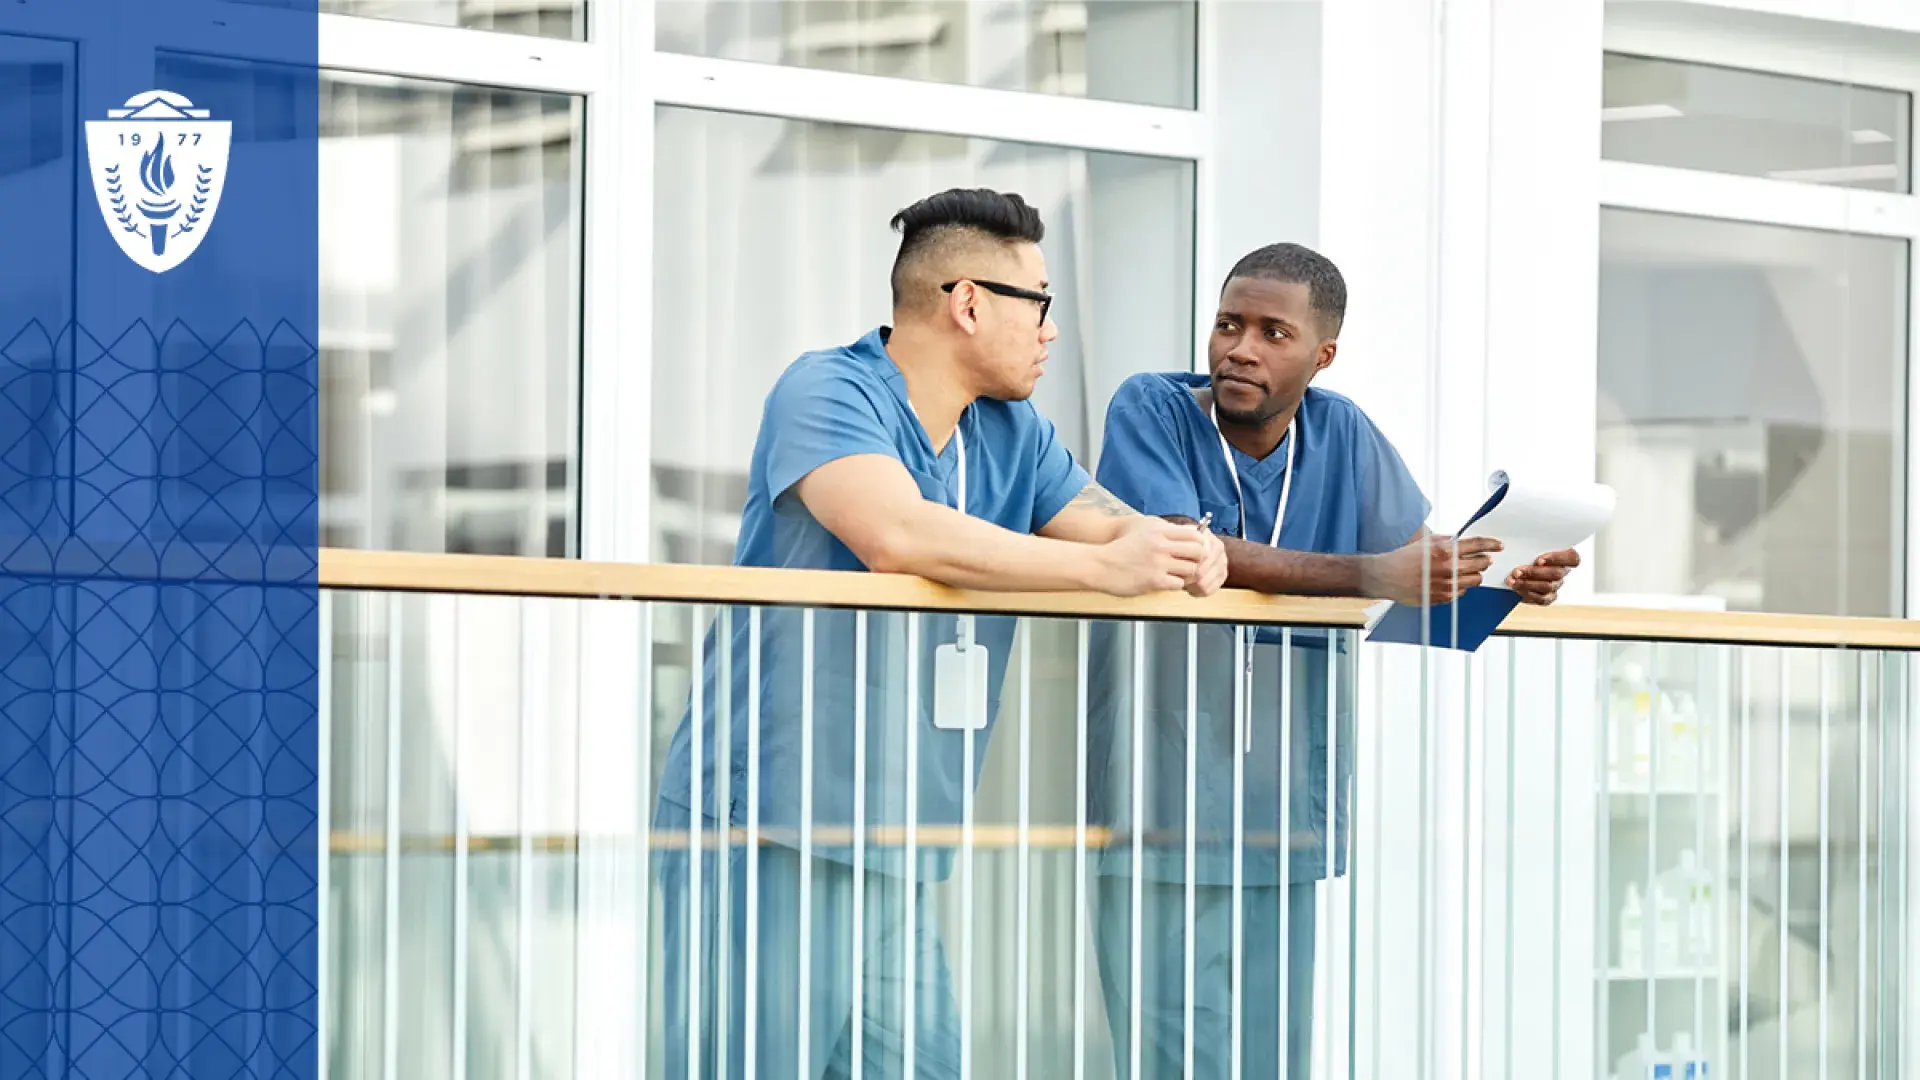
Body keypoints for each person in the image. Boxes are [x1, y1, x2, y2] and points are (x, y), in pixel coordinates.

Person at [651, 187, 1228, 1080]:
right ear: (967, 303)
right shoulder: (827, 390)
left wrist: (1188, 548)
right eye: (1038, 304)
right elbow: (896, 534)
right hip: (769, 819)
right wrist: (1109, 567)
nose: (1051, 332)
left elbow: (1112, 526)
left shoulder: (1012, 431)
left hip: (898, 836)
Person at [1085, 241, 1579, 1079]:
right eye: (1228, 324)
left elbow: (1422, 568)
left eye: (1274, 332)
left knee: (1275, 1054)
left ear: (1322, 355)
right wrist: (1372, 573)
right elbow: (1175, 548)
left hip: (1286, 810)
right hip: (1162, 798)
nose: (1240, 347)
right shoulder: (1152, 409)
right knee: (1169, 1053)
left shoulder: (1341, 431)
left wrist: (1507, 579)